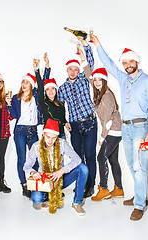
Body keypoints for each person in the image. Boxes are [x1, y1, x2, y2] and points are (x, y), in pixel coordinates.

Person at [90, 34, 148, 220]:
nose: (128, 64)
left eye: (131, 61)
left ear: (137, 61)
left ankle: (139, 205)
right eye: (125, 62)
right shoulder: (123, 79)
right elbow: (110, 65)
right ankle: (141, 196)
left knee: (139, 167)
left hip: (140, 127)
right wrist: (98, 46)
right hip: (125, 128)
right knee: (131, 164)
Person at [78, 50, 124, 201]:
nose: (96, 82)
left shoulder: (107, 95)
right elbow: (89, 76)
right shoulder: (99, 91)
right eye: (95, 80)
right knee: (113, 160)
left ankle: (103, 188)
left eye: (100, 80)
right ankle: (118, 188)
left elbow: (109, 120)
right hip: (113, 132)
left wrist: (102, 137)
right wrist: (83, 60)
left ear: (105, 81)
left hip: (113, 131)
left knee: (100, 158)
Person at [58, 37, 97, 198]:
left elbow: (90, 63)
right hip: (74, 126)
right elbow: (58, 107)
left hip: (89, 123)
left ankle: (91, 185)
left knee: (90, 155)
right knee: (78, 157)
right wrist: (64, 121)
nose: (73, 71)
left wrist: (85, 47)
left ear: (78, 71)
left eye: (75, 69)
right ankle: (82, 183)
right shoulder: (62, 88)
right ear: (67, 71)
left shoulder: (84, 79)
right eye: (70, 69)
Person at [23, 118, 88, 215]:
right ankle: (48, 197)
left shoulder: (62, 143)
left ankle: (77, 203)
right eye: (48, 137)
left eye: (53, 138)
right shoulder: (36, 147)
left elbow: (77, 159)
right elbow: (26, 166)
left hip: (59, 180)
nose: (50, 140)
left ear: (57, 137)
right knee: (36, 199)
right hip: (44, 181)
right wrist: (33, 172)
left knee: (83, 168)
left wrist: (62, 170)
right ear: (43, 134)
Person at [6, 67, 50, 198]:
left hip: (33, 130)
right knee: (22, 159)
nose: (24, 84)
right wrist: (9, 105)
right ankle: (24, 185)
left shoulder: (36, 94)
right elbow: (14, 116)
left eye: (27, 82)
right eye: (23, 82)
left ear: (31, 84)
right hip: (20, 130)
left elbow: (44, 82)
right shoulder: (15, 98)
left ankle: (35, 183)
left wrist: (46, 67)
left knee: (36, 158)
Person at [34, 53, 71, 139]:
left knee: (61, 153)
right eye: (47, 89)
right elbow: (40, 86)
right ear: (45, 91)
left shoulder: (61, 104)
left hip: (61, 134)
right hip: (49, 135)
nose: (50, 91)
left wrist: (66, 123)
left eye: (52, 88)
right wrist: (36, 70)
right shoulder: (43, 102)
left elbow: (62, 119)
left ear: (56, 90)